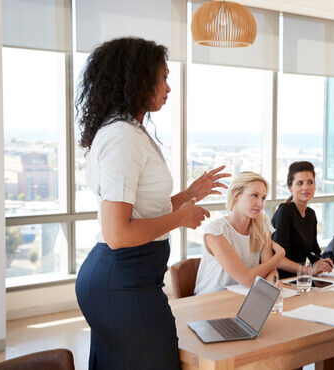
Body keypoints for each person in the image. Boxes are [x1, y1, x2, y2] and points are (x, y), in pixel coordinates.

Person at [75, 37, 229, 369]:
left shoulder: (128, 131)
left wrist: (188, 195)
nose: (168, 88)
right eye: (163, 78)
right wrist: (181, 217)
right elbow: (118, 233)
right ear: (138, 78)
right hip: (123, 280)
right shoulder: (123, 137)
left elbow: (143, 211)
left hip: (127, 277)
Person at [194, 172, 285, 295]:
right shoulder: (216, 230)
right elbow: (246, 279)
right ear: (236, 195)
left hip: (244, 296)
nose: (260, 203)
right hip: (211, 298)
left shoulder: (262, 223)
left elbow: (270, 270)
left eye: (263, 198)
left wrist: (271, 285)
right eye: (254, 195)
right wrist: (279, 255)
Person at [271, 161, 333, 279]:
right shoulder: (285, 211)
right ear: (290, 187)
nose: (306, 187)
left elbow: (313, 252)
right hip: (282, 280)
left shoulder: (311, 214)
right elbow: (277, 260)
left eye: (310, 182)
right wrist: (308, 270)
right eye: (300, 183)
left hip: (300, 279)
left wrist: (321, 262)